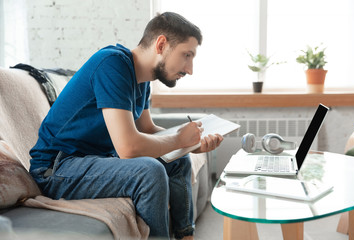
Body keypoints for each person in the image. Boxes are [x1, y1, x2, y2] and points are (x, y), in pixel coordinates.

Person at [29, 12, 223, 239]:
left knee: (178, 159)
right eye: (186, 55)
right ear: (161, 44)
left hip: (94, 161)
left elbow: (148, 130)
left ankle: (185, 236)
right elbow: (128, 148)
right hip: (57, 168)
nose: (190, 69)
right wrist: (179, 139)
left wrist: (191, 144)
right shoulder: (112, 64)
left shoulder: (143, 80)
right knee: (149, 171)